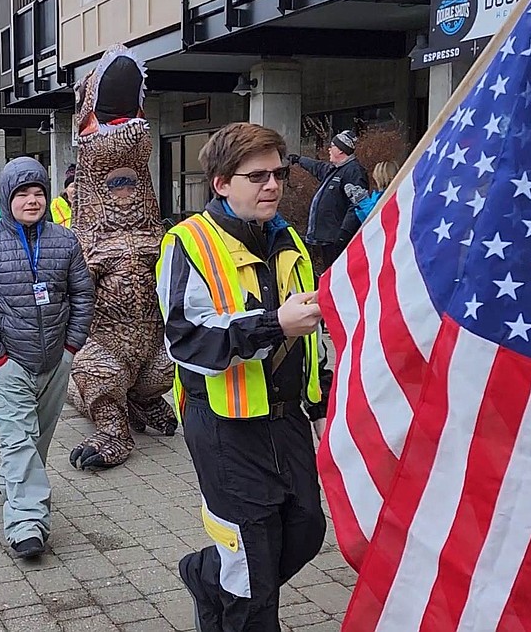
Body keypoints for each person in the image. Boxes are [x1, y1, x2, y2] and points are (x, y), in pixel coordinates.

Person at [156, 122, 331, 629]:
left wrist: (319, 404)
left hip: (286, 419)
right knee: (253, 566)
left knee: (304, 528)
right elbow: (189, 341)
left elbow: (312, 333)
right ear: (222, 183)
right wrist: (275, 324)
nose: (272, 185)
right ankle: (231, 599)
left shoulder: (288, 236)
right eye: (257, 177)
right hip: (224, 423)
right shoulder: (188, 243)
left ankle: (208, 575)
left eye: (279, 174)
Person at [0, 157, 95, 559]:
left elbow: (82, 295)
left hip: (56, 357)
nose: (32, 200)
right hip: (9, 360)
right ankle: (26, 523)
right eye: (23, 194)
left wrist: (71, 346)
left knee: (36, 438)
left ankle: (14, 481)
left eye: (38, 192)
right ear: (6, 198)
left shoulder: (64, 240)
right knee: (18, 438)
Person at [290, 129, 370, 272]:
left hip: (336, 240)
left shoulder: (353, 171)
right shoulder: (335, 169)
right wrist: (299, 160)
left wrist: (343, 234)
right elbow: (317, 166)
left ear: (340, 150)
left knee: (337, 274)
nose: (328, 149)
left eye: (332, 146)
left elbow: (357, 205)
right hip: (325, 238)